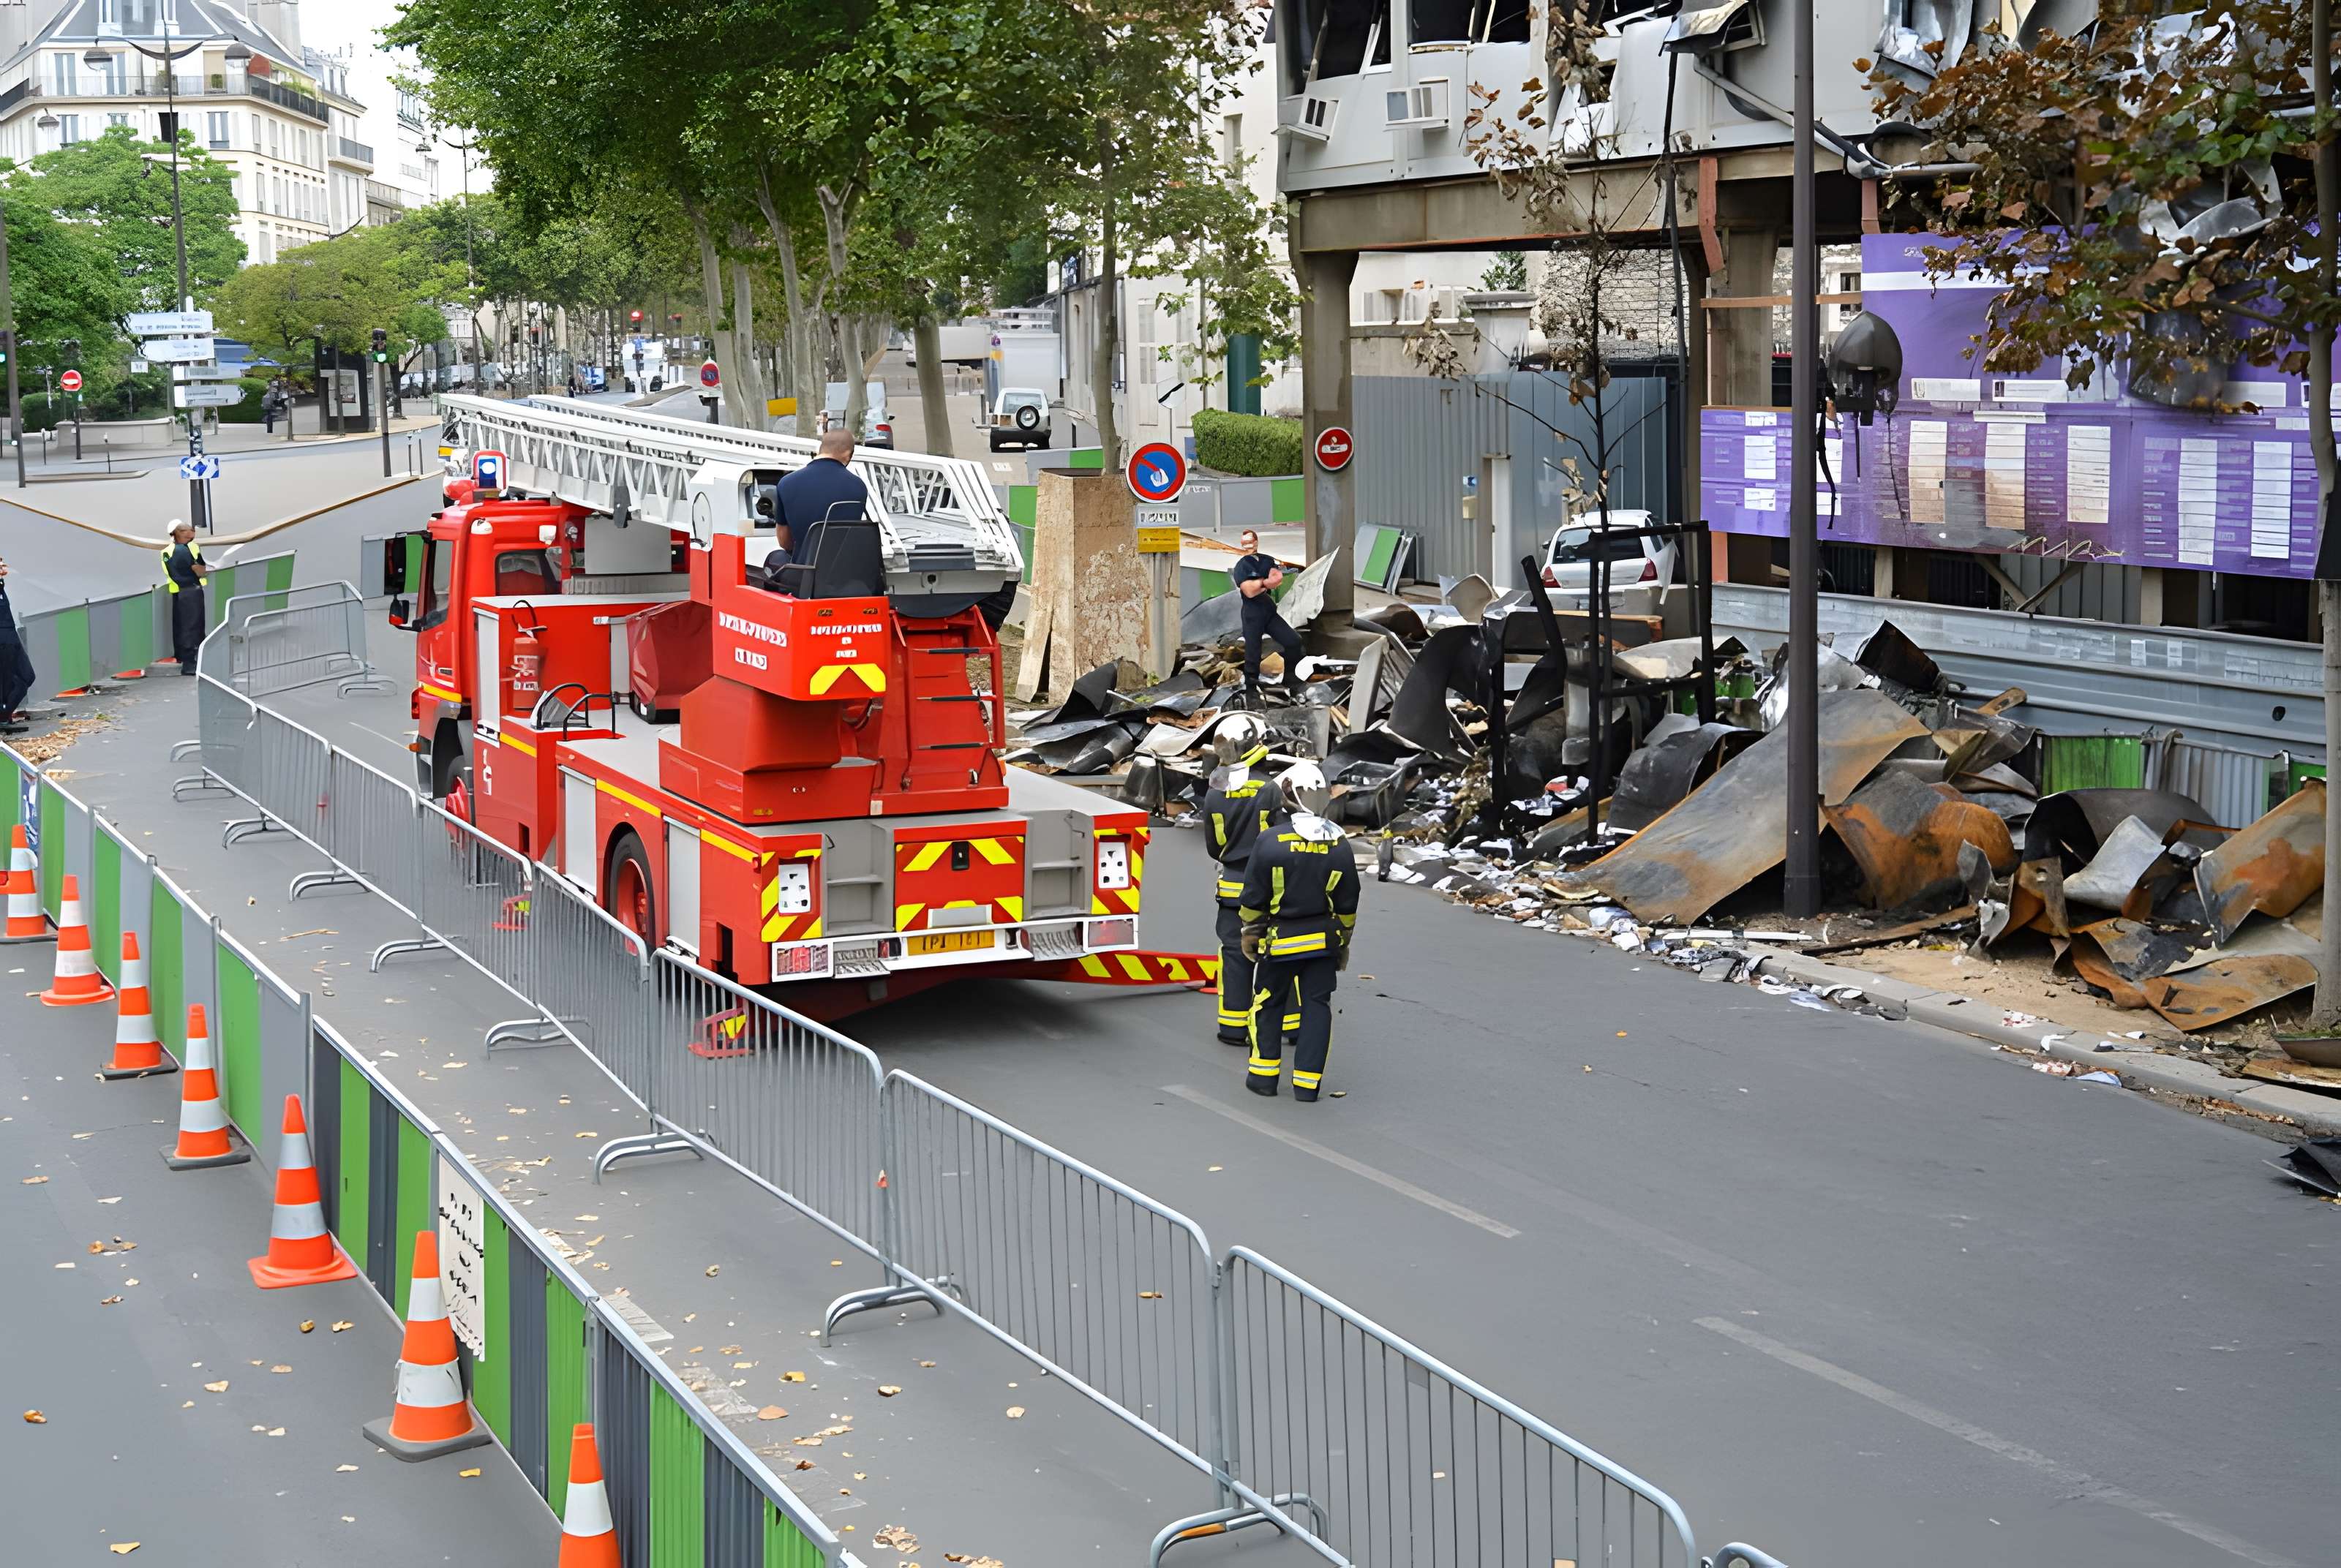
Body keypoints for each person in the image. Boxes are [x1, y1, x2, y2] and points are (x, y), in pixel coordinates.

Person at [1238, 769, 1359, 1102]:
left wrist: (1250, 933)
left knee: (1268, 1004)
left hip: (1279, 944)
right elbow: (1348, 903)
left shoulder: (1270, 841)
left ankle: (1263, 1077)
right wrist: (1343, 942)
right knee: (1317, 1007)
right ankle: (1307, 1085)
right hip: (1323, 945)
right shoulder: (1339, 845)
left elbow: (1253, 898)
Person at [1200, 715, 1294, 1048]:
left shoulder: (1213, 793)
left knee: (1234, 957)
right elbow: (1279, 840)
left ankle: (1232, 1028)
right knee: (1279, 954)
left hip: (1231, 889)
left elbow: (1214, 847)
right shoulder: (1270, 790)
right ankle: (1290, 1026)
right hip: (1269, 888)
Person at [775, 426, 868, 586]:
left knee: (776, 557)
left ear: (821, 449)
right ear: (848, 455)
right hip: (845, 578)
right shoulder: (858, 487)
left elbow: (785, 542)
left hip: (804, 578)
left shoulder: (787, 483)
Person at [1230, 529, 1303, 702]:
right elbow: (1249, 591)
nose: (1248, 545)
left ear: (1256, 542)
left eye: (1251, 541)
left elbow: (1277, 579)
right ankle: (1251, 691)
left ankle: (1291, 680)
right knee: (1253, 653)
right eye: (1245, 542)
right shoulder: (1241, 566)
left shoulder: (1266, 560)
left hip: (1269, 611)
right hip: (1252, 614)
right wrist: (1264, 583)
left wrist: (1264, 583)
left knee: (1294, 641)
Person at [159, 519, 208, 675]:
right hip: (190, 592)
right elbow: (200, 570)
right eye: (185, 530)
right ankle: (191, 663)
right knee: (193, 626)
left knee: (183, 626)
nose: (190, 533)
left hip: (180, 592)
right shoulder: (183, 550)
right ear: (177, 533)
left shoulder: (167, 551)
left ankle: (187, 660)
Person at [0, 554, 34, 734]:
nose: (3, 565)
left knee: (27, 676)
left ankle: (4, 715)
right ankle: (4, 716)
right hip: (4, 639)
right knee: (9, 681)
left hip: (10, 636)